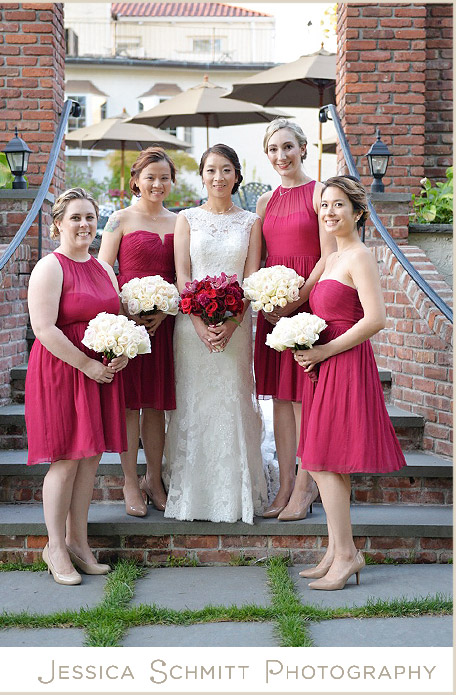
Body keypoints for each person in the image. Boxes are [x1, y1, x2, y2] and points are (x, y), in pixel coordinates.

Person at [292, 177, 405, 590]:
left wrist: (323, 351)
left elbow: (375, 319)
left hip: (344, 363)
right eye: (324, 206)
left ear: (358, 212)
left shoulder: (360, 256)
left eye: (339, 205)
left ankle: (346, 555)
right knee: (323, 460)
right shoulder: (333, 258)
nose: (329, 213)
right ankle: (336, 550)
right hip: (324, 365)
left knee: (325, 461)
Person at [25, 187, 127, 585]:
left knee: (90, 459)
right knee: (66, 459)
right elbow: (44, 328)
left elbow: (116, 319)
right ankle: (54, 547)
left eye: (89, 217)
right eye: (76, 218)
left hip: (100, 372)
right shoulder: (50, 267)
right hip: (63, 370)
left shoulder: (103, 268)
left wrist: (121, 352)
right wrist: (86, 363)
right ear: (57, 226)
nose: (84, 225)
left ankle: (79, 543)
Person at [165, 144, 267, 523]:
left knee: (233, 400)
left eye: (226, 170)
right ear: (202, 176)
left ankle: (236, 495)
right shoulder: (186, 219)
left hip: (236, 327)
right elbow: (183, 278)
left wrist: (232, 323)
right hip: (191, 328)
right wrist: (198, 323)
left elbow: (252, 279)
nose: (218, 177)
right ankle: (191, 494)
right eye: (211, 170)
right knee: (194, 403)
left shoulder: (250, 222)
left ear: (236, 175)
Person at [252, 119, 333, 521]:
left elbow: (326, 255)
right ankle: (284, 484)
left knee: (303, 398)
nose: (281, 156)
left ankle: (306, 484)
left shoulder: (319, 194)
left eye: (288, 147)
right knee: (280, 400)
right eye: (273, 149)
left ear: (303, 148)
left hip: (307, 305)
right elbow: (259, 260)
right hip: (272, 308)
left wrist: (295, 300)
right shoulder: (264, 202)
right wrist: (263, 300)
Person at [97, 148, 178, 517]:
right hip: (127, 324)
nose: (157, 184)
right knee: (131, 405)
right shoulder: (119, 219)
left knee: (156, 407)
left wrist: (165, 309)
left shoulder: (180, 222)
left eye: (164, 177)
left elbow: (182, 274)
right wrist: (124, 308)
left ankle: (154, 479)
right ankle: (130, 481)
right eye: (150, 177)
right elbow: (102, 270)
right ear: (136, 181)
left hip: (164, 324)